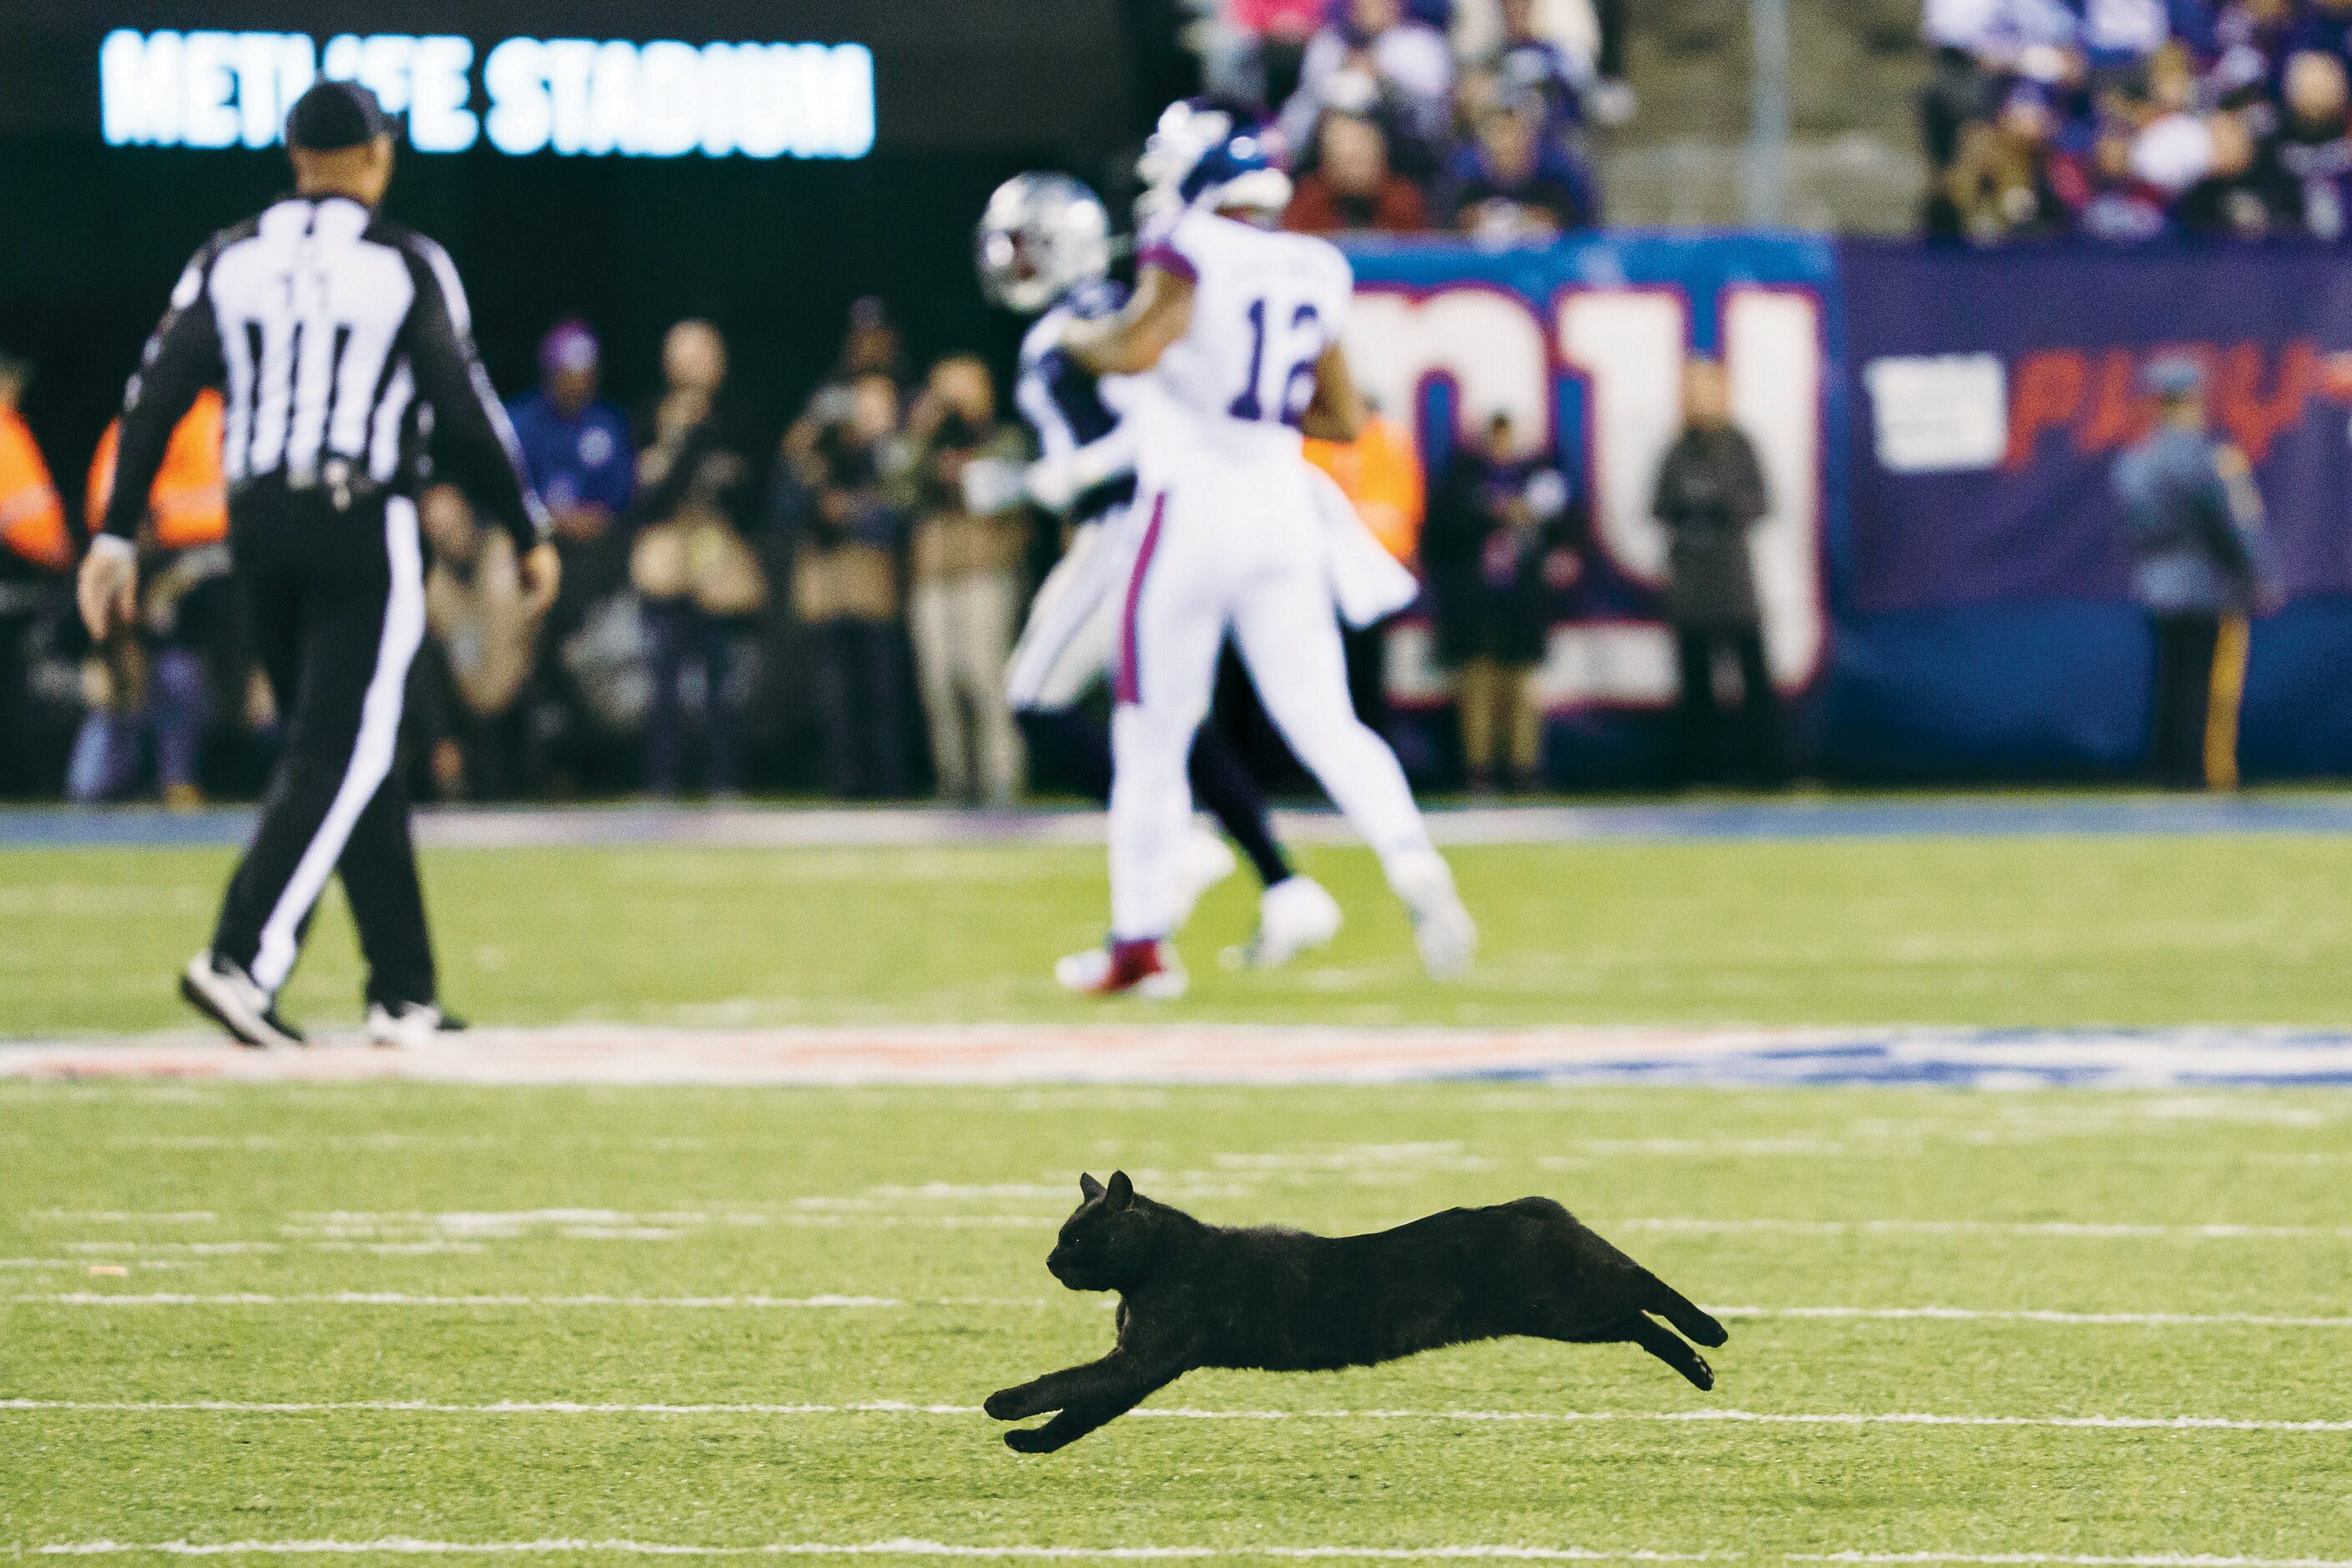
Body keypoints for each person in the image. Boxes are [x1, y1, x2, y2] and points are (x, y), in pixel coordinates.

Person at [76, 79, 557, 1050]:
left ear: (295, 160)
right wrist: (526, 525)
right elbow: (464, 411)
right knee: (342, 747)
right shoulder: (403, 262)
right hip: (356, 517)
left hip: (254, 524)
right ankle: (241, 955)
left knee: (343, 745)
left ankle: (402, 987)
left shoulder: (231, 255)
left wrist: (116, 534)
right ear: (377, 156)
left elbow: (156, 391)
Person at [1050, 100, 1475, 997]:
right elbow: (1342, 415)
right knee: (1324, 719)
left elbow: (1135, 347)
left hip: (1193, 502)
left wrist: (1075, 338)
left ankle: (1139, 945)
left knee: (1149, 731)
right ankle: (1412, 862)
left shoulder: (1189, 244)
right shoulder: (1313, 264)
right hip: (1281, 502)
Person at [978, 170, 1344, 969]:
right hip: (1169, 519)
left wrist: (1043, 482)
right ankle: (1285, 887)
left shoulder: (1076, 334)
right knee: (1171, 713)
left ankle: (1174, 846)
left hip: (1129, 528)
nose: (1008, 263)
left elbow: (1146, 432)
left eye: (1019, 246)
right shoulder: (1120, 312)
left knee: (1035, 698)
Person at [2113, 357, 2278, 791]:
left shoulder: (2135, 461)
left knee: (2169, 678)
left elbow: (2136, 525)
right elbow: (2229, 524)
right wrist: (2255, 575)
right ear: (2192, 401)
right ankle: (2198, 772)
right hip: (2204, 582)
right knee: (2205, 683)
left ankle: (2165, 767)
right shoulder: (2205, 457)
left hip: (2156, 583)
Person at [76, 390, 233, 808]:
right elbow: (109, 507)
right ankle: (102, 785)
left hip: (203, 563)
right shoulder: (139, 419)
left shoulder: (217, 415)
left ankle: (176, 780)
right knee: (115, 675)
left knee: (179, 669)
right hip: (134, 560)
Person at [630, 320, 761, 798]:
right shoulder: (651, 416)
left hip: (718, 557)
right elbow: (647, 501)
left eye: (703, 354)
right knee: (663, 679)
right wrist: (687, 440)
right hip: (666, 558)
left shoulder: (735, 417)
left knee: (721, 682)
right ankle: (661, 783)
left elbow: (748, 498)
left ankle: (725, 782)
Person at [1424, 412, 1579, 793]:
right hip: (1474, 599)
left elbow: (1564, 528)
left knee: (1522, 684)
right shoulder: (1464, 482)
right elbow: (1442, 532)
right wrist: (1490, 513)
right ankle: (1478, 769)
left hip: (1521, 600)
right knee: (1476, 681)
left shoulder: (1538, 481)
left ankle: (1523, 768)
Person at [902, 355, 1031, 807]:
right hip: (933, 571)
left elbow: (1007, 493)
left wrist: (969, 458)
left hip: (984, 567)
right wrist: (921, 435)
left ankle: (1002, 780)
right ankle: (954, 781)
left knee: (986, 677)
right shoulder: (924, 442)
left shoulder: (1004, 438)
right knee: (938, 683)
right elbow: (900, 491)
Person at [1652, 358, 1782, 787]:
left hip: (1732, 579)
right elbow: (1660, 505)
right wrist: (1693, 509)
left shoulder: (1740, 445)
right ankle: (1701, 771)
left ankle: (1768, 769)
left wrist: (1716, 504)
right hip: (1690, 582)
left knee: (1754, 678)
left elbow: (1760, 502)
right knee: (1696, 683)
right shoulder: (1676, 449)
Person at [789, 371, 913, 799]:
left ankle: (890, 782)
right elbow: (786, 513)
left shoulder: (883, 453)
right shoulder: (814, 455)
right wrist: (802, 458)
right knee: (836, 689)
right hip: (828, 581)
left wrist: (853, 509)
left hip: (872, 576)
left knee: (881, 686)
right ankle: (847, 783)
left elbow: (898, 514)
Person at [418, 483, 546, 800]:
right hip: (461, 714)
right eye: (438, 522)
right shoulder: (427, 581)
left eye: (452, 516)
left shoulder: (504, 550)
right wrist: (441, 736)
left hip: (521, 701)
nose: (448, 529)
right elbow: (426, 672)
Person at [0, 350, 71, 798]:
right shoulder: (4, 433)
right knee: (13, 693)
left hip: (17, 583)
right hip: (14, 582)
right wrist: (63, 558)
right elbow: (28, 524)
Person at [1438, 89, 1602, 240]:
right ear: (1482, 136)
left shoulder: (1562, 174)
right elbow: (1443, 232)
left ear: (1532, 133)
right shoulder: (1462, 173)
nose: (1508, 142)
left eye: (1515, 130)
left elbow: (1585, 230)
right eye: (1499, 131)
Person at [1285, 110, 1431, 234]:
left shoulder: (1404, 202)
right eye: (1347, 158)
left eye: (1362, 156)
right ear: (1327, 161)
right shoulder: (1307, 204)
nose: (1355, 168)